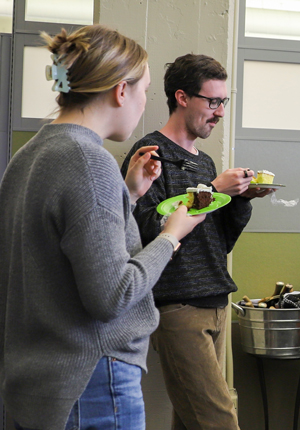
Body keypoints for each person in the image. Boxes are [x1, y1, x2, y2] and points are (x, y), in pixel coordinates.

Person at [0, 25, 205, 430]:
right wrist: (171, 235)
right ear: (120, 91)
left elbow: (62, 252)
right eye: (144, 90)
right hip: (91, 378)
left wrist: (127, 195)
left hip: (36, 381)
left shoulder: (31, 154)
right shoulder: (88, 161)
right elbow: (112, 295)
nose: (144, 103)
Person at [120, 54, 270, 430]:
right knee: (218, 420)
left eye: (224, 102)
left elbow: (218, 242)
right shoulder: (150, 154)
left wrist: (240, 200)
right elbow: (143, 229)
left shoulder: (203, 162)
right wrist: (213, 190)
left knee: (192, 421)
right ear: (183, 97)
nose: (219, 112)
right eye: (213, 101)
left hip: (216, 301)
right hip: (178, 306)